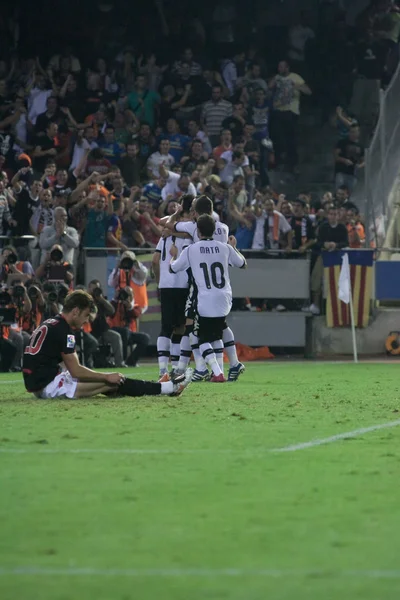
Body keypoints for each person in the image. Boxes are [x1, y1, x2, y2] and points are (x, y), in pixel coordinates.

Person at [23, 290, 192, 399]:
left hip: (41, 383)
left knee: (112, 385)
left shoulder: (52, 322)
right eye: (86, 315)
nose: (86, 320)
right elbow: (76, 370)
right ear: (75, 311)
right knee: (114, 381)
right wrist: (105, 376)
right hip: (49, 386)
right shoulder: (64, 330)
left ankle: (161, 386)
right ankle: (169, 387)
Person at [165, 195, 245, 382]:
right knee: (222, 326)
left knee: (196, 335)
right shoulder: (224, 246)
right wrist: (234, 247)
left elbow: (173, 267)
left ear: (198, 231)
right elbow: (242, 264)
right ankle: (234, 364)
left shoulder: (192, 249)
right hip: (225, 297)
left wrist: (173, 256)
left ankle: (210, 371)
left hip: (205, 299)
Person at [152, 195, 192, 377]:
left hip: (166, 285)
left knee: (166, 327)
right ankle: (176, 367)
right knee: (181, 326)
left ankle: (162, 368)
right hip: (184, 285)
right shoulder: (190, 235)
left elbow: (154, 260)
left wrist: (159, 281)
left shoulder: (164, 237)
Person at [303, 206, 349, 315]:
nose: (333, 216)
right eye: (331, 214)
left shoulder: (342, 228)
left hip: (338, 258)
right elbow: (317, 242)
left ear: (338, 216)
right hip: (324, 255)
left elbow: (346, 243)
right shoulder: (323, 227)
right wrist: (324, 244)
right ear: (328, 215)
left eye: (335, 214)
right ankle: (316, 304)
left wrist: (336, 245)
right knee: (316, 278)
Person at [107, 285, 150, 367]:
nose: (126, 296)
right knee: (125, 331)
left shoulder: (136, 306)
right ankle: (121, 360)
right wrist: (116, 299)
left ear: (133, 295)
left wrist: (129, 306)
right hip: (115, 330)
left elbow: (136, 314)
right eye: (125, 293)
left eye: (129, 294)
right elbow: (110, 312)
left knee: (145, 338)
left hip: (129, 333)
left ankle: (130, 362)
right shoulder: (116, 304)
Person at [88, 279, 125, 368]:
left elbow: (112, 311)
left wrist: (101, 299)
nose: (95, 291)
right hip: (90, 332)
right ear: (89, 289)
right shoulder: (86, 300)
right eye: (93, 289)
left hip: (103, 331)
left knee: (116, 336)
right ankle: (89, 365)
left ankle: (119, 363)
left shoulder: (101, 300)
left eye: (97, 289)